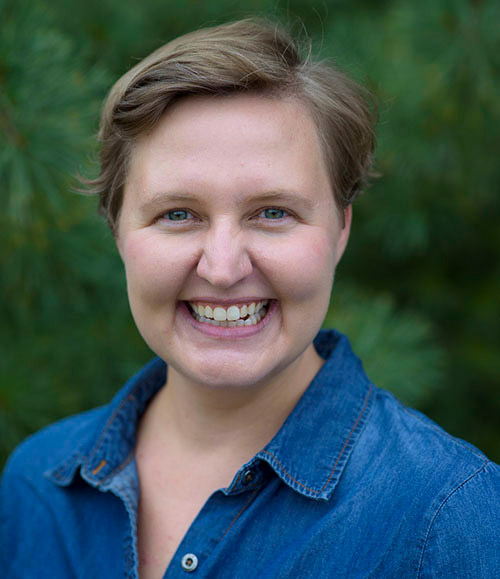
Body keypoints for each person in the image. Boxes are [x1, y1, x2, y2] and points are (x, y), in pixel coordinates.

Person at [1, 18, 499, 579]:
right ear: (118, 232)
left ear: (340, 230)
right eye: (178, 214)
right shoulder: (36, 485)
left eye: (272, 213)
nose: (222, 267)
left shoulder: (449, 517)